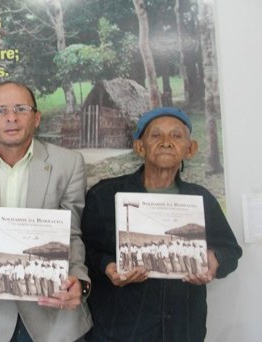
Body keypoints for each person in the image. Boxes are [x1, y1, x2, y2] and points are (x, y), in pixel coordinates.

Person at [0, 81, 93, 342]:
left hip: (52, 315)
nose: (11, 117)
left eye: (21, 108)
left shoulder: (68, 163)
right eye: (0, 110)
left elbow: (71, 234)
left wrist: (79, 278)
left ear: (36, 118)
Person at [81, 107, 243, 341]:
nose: (166, 142)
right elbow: (83, 250)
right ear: (140, 147)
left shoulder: (201, 199)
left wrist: (214, 260)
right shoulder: (105, 195)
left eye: (177, 136)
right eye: (156, 135)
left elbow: (231, 251)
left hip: (183, 329)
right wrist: (107, 266)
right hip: (120, 330)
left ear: (190, 149)